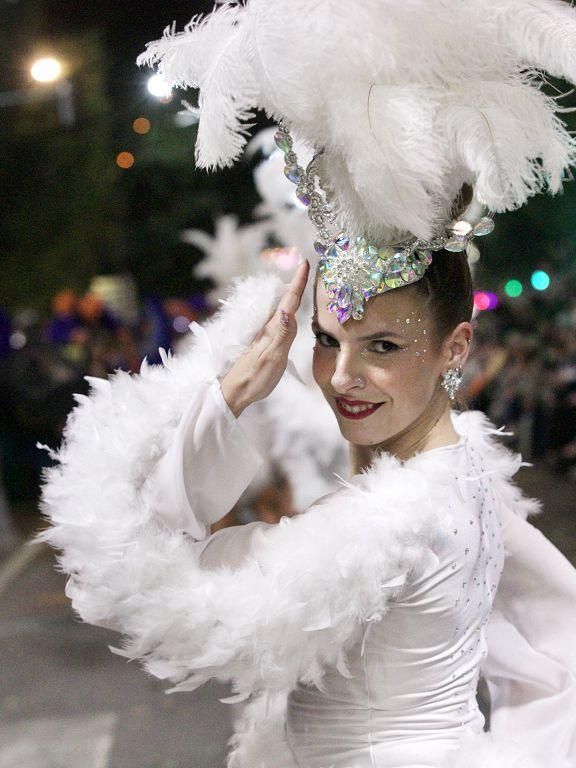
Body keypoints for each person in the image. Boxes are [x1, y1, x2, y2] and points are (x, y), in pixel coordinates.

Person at [42, 1, 576, 766]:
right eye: (326, 339)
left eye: (383, 345)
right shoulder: (468, 481)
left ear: (455, 346)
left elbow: (131, 569)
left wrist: (222, 388)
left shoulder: (396, 523)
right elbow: (560, 637)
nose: (343, 375)